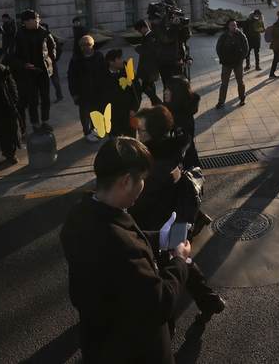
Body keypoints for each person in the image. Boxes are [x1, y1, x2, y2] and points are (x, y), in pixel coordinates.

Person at [59, 137, 191, 361]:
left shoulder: (79, 213)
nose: (143, 185)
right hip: (135, 351)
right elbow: (159, 304)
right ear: (127, 181)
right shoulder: (120, 246)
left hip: (98, 342)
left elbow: (125, 241)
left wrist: (159, 238)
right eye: (144, 179)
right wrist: (179, 261)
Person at [129, 106, 225, 318]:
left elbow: (137, 205)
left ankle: (166, 322)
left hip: (157, 228)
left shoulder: (153, 167)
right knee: (181, 261)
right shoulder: (171, 148)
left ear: (154, 133)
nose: (138, 134)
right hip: (172, 222)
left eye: (141, 130)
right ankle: (211, 302)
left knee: (168, 269)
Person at [10, 10, 57, 134]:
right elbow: (13, 57)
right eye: (33, 22)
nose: (37, 23)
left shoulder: (45, 33)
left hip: (44, 71)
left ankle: (45, 121)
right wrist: (24, 65)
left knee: (46, 98)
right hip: (28, 73)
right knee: (33, 100)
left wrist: (51, 58)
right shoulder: (18, 37)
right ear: (25, 22)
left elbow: (53, 46)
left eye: (38, 21)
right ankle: (35, 124)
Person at [67, 35, 105, 143]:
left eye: (87, 45)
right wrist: (73, 93)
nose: (85, 47)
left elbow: (104, 71)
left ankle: (94, 129)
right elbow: (71, 77)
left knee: (96, 111)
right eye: (82, 45)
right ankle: (87, 132)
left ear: (92, 45)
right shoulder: (76, 59)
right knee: (84, 113)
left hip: (97, 90)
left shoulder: (99, 56)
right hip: (82, 91)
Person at [97, 48, 140, 137]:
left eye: (122, 57)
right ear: (111, 62)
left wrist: (134, 109)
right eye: (119, 59)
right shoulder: (102, 76)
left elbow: (137, 91)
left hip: (128, 114)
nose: (122, 61)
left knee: (131, 142)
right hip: (112, 117)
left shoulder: (128, 72)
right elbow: (97, 97)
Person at [215, 19, 248, 109]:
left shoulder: (240, 36)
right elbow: (218, 48)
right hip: (227, 63)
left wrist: (241, 58)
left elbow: (245, 48)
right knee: (224, 83)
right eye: (232, 25)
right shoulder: (223, 36)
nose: (234, 27)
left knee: (240, 82)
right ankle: (221, 101)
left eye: (235, 25)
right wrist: (223, 58)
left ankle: (242, 97)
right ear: (228, 26)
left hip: (238, 62)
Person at [132, 19, 162, 105]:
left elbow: (147, 53)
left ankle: (158, 103)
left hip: (149, 68)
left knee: (145, 87)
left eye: (139, 30)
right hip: (150, 68)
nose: (139, 32)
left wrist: (137, 48)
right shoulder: (149, 37)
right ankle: (156, 104)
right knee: (150, 86)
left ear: (144, 28)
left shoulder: (150, 38)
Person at [40, 22, 65, 102]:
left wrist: (54, 59)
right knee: (43, 81)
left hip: (51, 62)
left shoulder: (51, 37)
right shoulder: (39, 38)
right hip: (42, 62)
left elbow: (58, 49)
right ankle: (42, 98)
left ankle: (60, 96)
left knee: (55, 80)